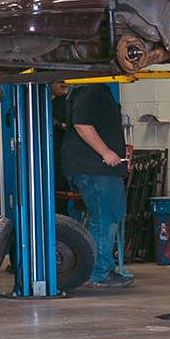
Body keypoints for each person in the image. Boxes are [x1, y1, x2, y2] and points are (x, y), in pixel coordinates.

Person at [55, 81, 133, 290]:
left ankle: (94, 268)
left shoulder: (85, 91)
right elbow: (82, 125)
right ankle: (98, 272)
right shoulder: (91, 90)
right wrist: (106, 153)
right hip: (96, 169)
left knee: (103, 216)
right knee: (105, 217)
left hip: (95, 169)